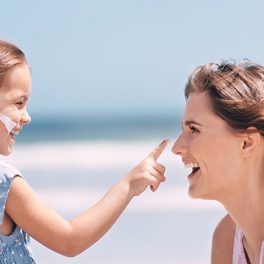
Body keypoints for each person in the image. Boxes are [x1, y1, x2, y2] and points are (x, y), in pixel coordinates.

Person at [0, 39, 169, 263]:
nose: (27, 116)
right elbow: (69, 240)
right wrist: (129, 185)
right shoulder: (5, 184)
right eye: (19, 103)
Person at [172, 60, 264, 264]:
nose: (177, 147)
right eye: (183, 130)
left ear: (247, 142)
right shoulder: (227, 238)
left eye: (194, 129)